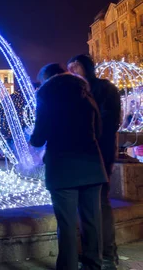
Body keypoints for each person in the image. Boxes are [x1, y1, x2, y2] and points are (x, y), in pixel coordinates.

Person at [31, 63, 107, 270]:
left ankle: (68, 266)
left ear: (47, 79)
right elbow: (99, 130)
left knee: (66, 223)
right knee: (92, 221)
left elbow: (38, 138)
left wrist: (34, 137)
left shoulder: (47, 95)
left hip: (62, 167)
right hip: (92, 165)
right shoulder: (86, 93)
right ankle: (93, 265)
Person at [68, 54, 121, 269]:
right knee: (89, 204)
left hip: (99, 152)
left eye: (76, 67)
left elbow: (109, 122)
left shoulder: (104, 89)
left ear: (87, 68)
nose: (72, 72)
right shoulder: (76, 92)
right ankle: (95, 253)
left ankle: (107, 254)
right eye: (70, 68)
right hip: (84, 154)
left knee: (100, 201)